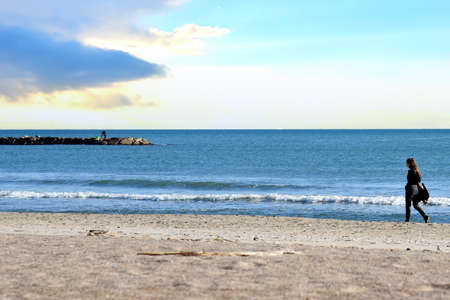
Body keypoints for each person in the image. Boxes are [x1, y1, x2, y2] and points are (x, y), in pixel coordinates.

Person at [405, 158, 429, 223]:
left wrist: (407, 186)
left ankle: (407, 220)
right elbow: (418, 182)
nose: (406, 164)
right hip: (416, 190)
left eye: (406, 163)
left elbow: (411, 181)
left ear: (409, 163)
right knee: (415, 205)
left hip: (410, 189)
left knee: (408, 205)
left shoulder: (411, 171)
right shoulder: (417, 171)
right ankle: (425, 216)